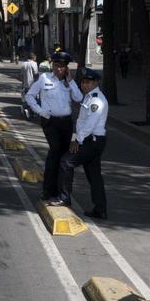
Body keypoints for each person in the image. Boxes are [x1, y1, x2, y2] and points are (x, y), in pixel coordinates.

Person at [24, 49, 83, 203]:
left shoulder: (69, 82)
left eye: (62, 66)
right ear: (52, 65)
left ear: (66, 68)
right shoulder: (44, 78)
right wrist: (40, 111)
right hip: (50, 121)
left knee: (63, 156)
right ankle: (48, 191)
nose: (58, 69)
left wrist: (70, 81)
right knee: (55, 151)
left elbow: (79, 97)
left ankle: (60, 192)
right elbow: (29, 95)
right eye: (56, 65)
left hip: (66, 122)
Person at [55, 67, 108, 218]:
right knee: (94, 175)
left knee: (66, 162)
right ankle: (100, 209)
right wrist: (70, 81)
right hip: (92, 140)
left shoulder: (96, 100)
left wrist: (77, 140)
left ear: (96, 82)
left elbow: (90, 124)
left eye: (88, 82)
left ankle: (64, 198)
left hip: (92, 141)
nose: (85, 85)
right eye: (83, 82)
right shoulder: (89, 96)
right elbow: (77, 99)